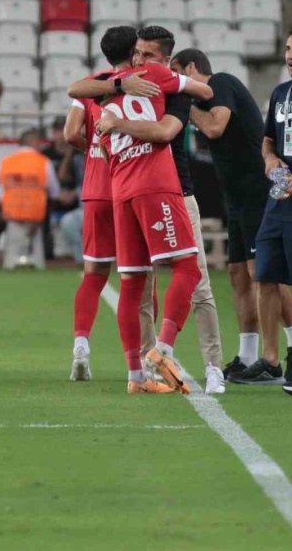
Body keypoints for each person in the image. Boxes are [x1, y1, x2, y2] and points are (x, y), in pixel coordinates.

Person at [69, 26, 215, 395]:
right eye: (139, 52)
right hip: (155, 183)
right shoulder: (155, 76)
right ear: (134, 52)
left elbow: (75, 93)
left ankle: (135, 377)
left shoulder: (101, 86)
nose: (141, 58)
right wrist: (175, 81)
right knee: (186, 267)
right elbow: (205, 91)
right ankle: (162, 348)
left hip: (118, 191)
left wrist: (117, 91)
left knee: (131, 284)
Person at [231, 27, 292, 391]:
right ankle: (272, 359)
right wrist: (271, 161)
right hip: (278, 202)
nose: (290, 55)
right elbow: (269, 142)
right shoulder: (279, 93)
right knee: (267, 274)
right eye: (288, 48)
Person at [173, 48, 274, 385]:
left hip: (257, 190)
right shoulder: (207, 99)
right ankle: (247, 355)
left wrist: (187, 110)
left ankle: (282, 354)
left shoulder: (222, 83)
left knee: (260, 273)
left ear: (191, 67)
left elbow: (216, 127)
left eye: (178, 74)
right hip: (237, 197)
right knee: (237, 273)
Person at [0, 128, 62, 267]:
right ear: (32, 142)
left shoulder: (7, 161)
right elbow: (55, 192)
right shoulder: (43, 162)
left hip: (11, 214)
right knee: (46, 214)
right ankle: (39, 260)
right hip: (35, 215)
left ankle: (10, 263)